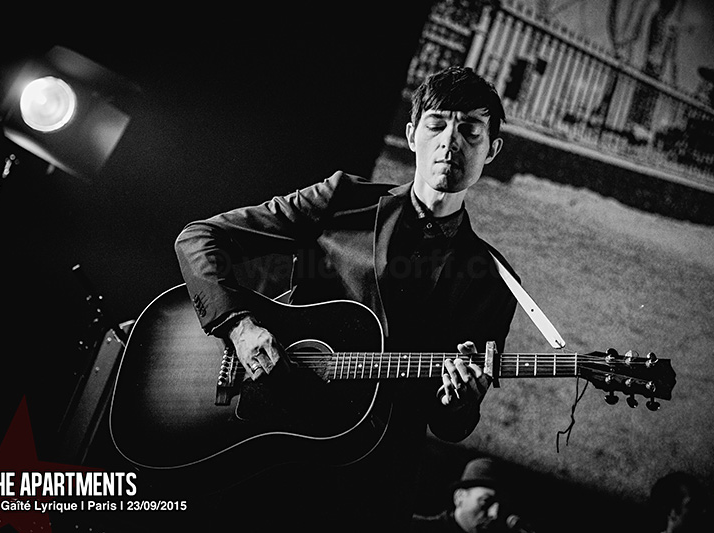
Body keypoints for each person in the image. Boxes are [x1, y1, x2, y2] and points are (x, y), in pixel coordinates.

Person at [174, 66, 518, 532]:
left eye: (470, 132)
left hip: (371, 486)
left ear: (491, 150)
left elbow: (451, 426)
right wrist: (238, 326)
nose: (450, 143)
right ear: (412, 135)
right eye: (437, 126)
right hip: (271, 451)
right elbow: (199, 238)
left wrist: (460, 398)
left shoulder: (494, 281)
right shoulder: (342, 200)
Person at [410, 457, 511, 532]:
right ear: (459, 497)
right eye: (486, 501)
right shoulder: (412, 527)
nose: (494, 514)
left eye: (500, 506)